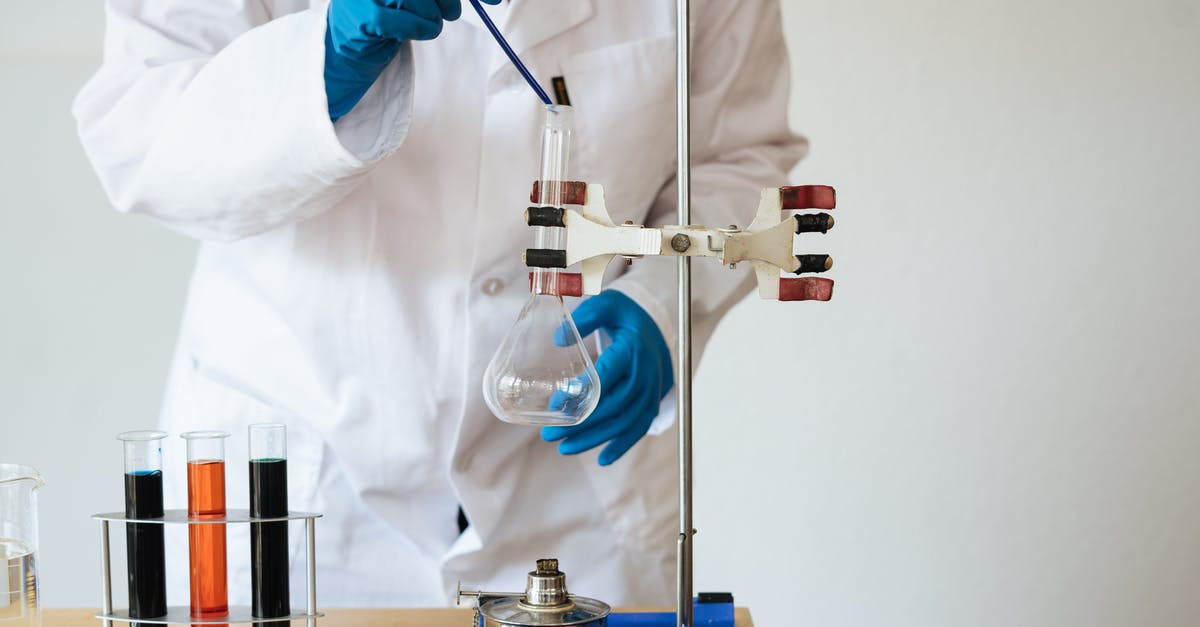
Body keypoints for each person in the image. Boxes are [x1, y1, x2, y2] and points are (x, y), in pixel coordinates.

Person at [74, 0, 806, 608]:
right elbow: (139, 133)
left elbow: (735, 154)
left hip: (569, 487)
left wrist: (663, 303)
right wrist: (319, 61)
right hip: (299, 479)